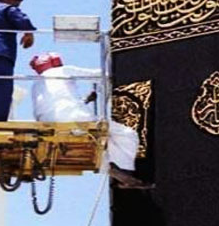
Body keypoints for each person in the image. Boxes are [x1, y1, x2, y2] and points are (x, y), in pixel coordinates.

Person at [29, 52, 151, 189]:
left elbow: (59, 105)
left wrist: (86, 100)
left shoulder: (36, 85)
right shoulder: (62, 70)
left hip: (51, 126)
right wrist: (127, 68)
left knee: (99, 145)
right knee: (126, 134)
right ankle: (125, 169)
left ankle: (115, 172)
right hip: (78, 121)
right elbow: (99, 74)